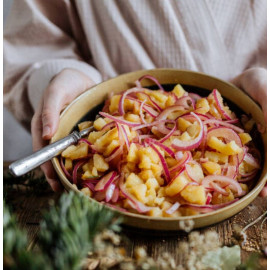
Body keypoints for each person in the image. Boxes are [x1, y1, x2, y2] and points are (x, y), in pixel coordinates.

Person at [4, 0, 266, 191]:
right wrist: (65, 80)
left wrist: (259, 88)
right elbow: (33, 44)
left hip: (247, 143)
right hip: (109, 127)